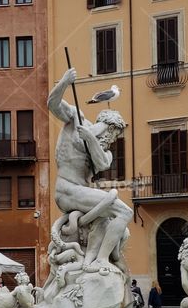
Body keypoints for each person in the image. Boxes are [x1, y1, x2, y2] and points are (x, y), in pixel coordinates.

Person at [48, 68, 131, 272]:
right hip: (67, 189)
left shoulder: (104, 152)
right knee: (124, 211)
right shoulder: (76, 118)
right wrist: (65, 82)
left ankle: (92, 260)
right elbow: (52, 104)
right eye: (112, 134)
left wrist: (92, 139)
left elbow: (102, 164)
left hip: (81, 193)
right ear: (106, 125)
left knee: (108, 221)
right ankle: (101, 260)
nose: (111, 140)